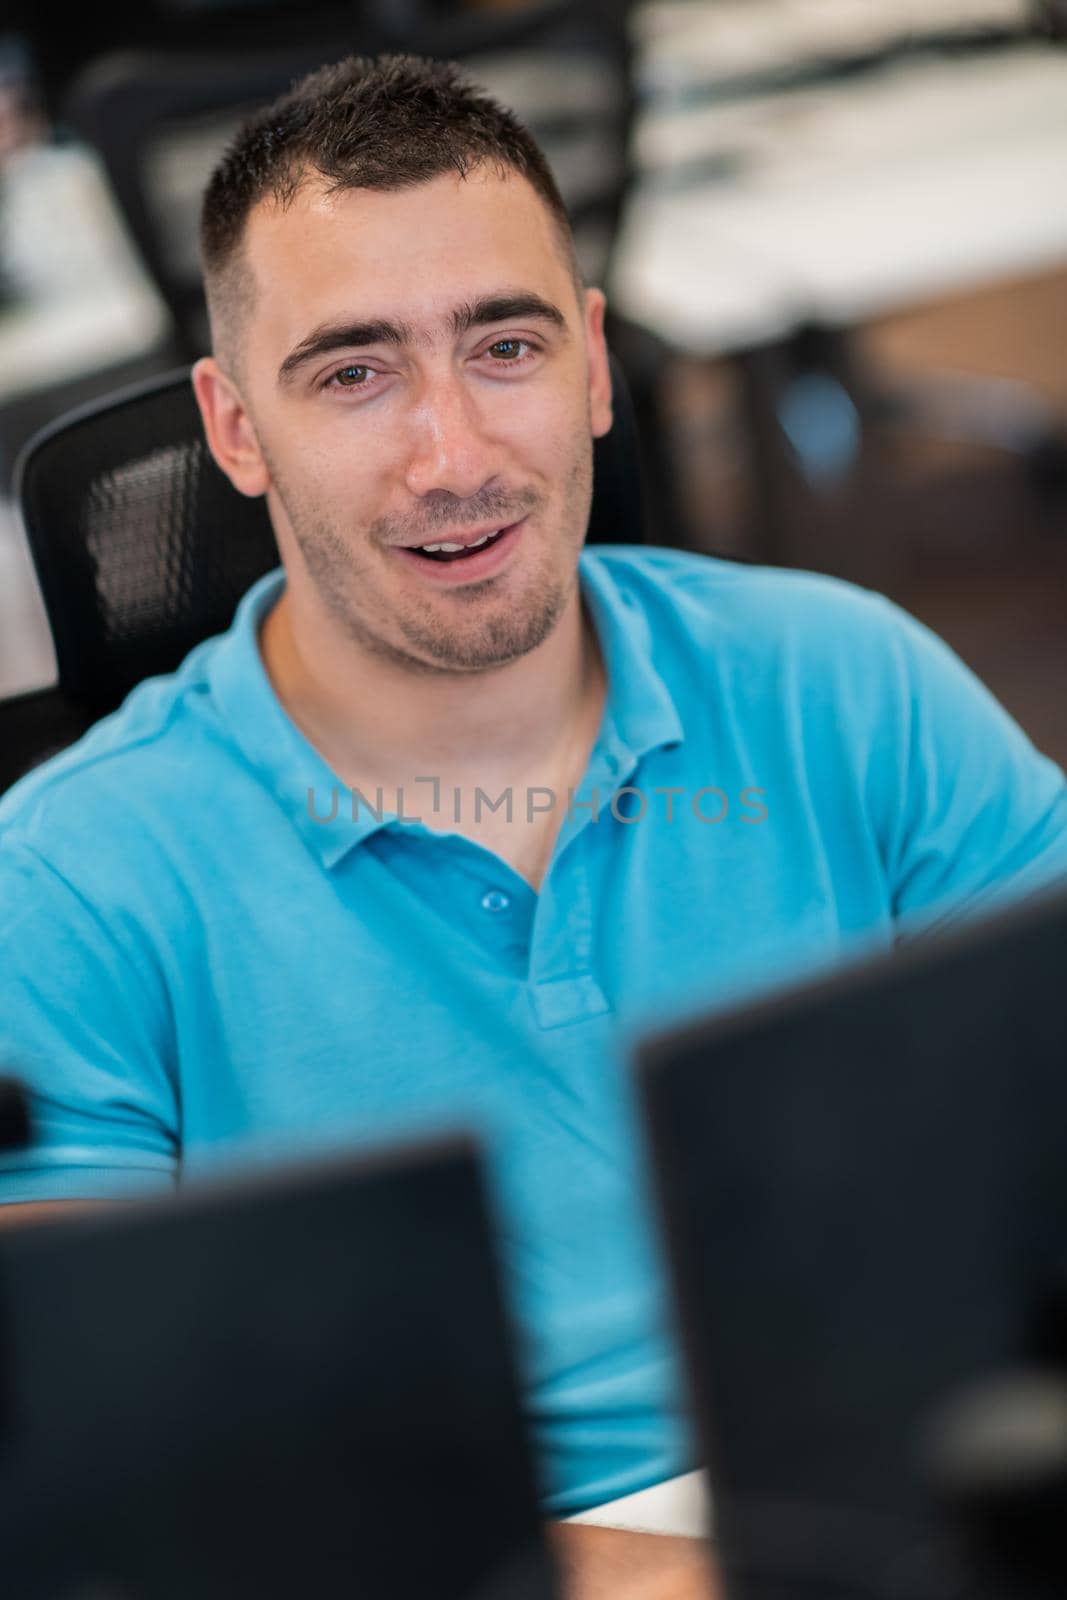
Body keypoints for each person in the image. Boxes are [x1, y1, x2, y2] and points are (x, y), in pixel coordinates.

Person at [1, 51, 1066, 1598]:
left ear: (594, 365)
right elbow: (115, 1495)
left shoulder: (843, 681)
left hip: (915, 1502)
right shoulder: (71, 887)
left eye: (504, 345)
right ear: (234, 430)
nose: (456, 456)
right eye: (354, 371)